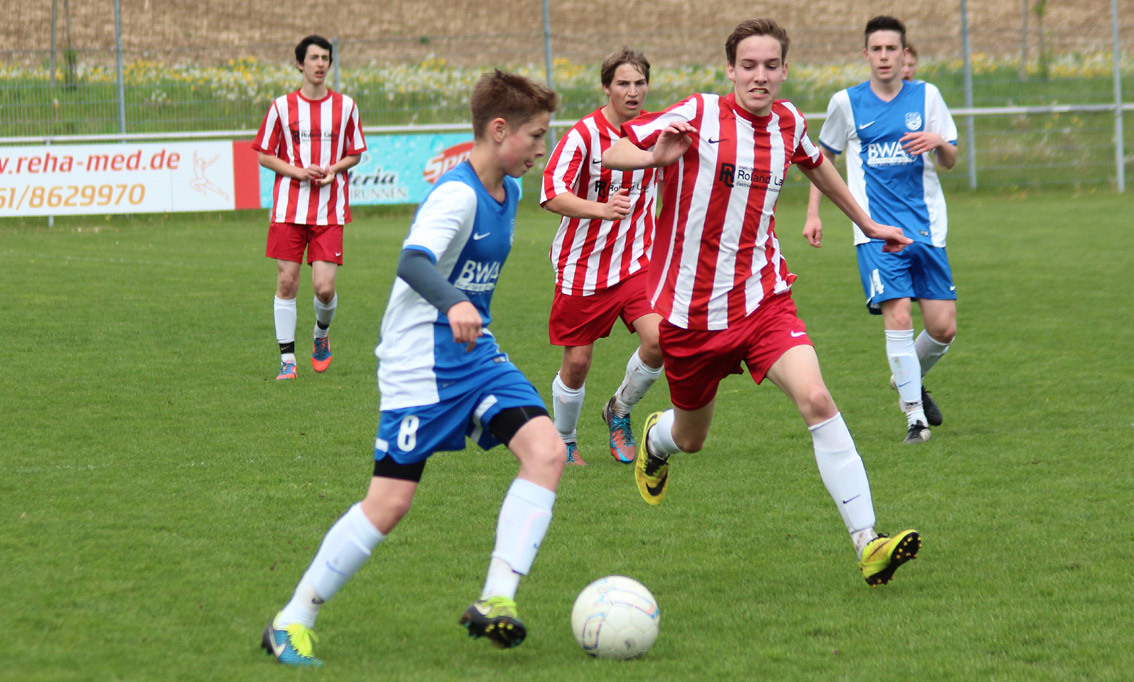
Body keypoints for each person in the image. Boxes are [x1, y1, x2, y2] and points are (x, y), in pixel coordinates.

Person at [602, 18, 921, 587]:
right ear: (730, 70)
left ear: (784, 70)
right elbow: (615, 151)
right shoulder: (698, 115)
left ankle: (867, 541)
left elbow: (817, 164)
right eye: (748, 65)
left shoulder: (790, 121)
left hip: (763, 302)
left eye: (771, 65)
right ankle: (656, 438)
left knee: (818, 398)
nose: (760, 76)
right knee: (692, 438)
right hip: (691, 315)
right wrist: (653, 161)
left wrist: (868, 223)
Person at [261, 70, 563, 666]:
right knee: (390, 503)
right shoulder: (456, 195)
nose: (540, 148)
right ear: (499, 130)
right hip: (418, 362)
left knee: (547, 451)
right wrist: (453, 302)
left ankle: (496, 599)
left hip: (476, 356)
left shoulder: (512, 190)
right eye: (535, 136)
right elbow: (413, 261)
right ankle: (292, 620)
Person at [803, 15, 958, 444]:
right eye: (877, 49)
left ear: (904, 54)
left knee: (943, 327)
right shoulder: (846, 103)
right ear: (866, 54)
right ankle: (915, 418)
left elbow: (951, 160)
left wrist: (938, 142)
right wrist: (814, 213)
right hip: (874, 232)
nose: (885, 56)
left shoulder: (927, 97)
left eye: (893, 49)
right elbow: (822, 160)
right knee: (900, 316)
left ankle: (905, 376)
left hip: (927, 228)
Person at [540, 48, 663, 467]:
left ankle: (620, 410)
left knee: (660, 340)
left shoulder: (655, 130)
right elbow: (551, 193)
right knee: (577, 362)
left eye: (640, 83)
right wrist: (602, 209)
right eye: (623, 84)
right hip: (583, 266)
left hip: (638, 263)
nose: (633, 92)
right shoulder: (584, 135)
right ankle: (565, 440)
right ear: (606, 87)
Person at [252, 35, 366, 380]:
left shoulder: (346, 106)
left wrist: (334, 169)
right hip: (289, 208)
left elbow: (356, 152)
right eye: (314, 58)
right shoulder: (281, 107)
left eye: (325, 58)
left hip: (329, 210)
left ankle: (320, 334)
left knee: (324, 288)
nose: (320, 64)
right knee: (287, 282)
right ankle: (288, 359)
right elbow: (264, 154)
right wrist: (298, 171)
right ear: (299, 63)